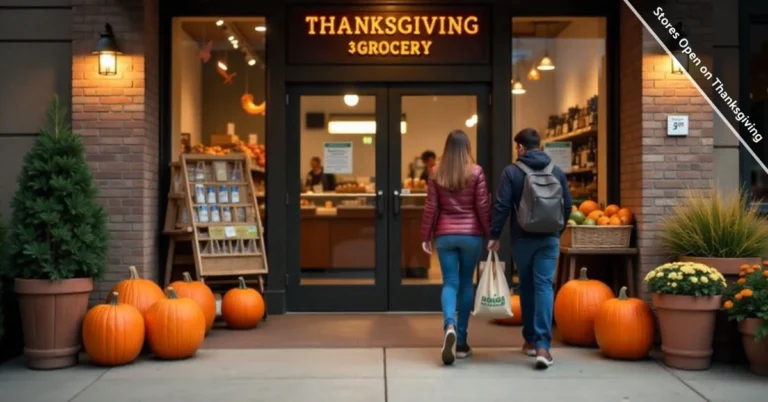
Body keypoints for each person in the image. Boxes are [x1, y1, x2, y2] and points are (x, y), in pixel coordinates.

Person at [487, 128, 572, 370]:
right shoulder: (556, 170)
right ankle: (544, 346)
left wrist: (494, 235)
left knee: (526, 286)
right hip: (549, 239)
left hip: (522, 239)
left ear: (521, 147)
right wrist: (557, 229)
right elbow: (567, 205)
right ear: (540, 145)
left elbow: (502, 206)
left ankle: (530, 341)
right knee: (544, 286)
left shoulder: (512, 172)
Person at [420, 130, 490, 366]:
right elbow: (482, 206)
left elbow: (431, 206)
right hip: (471, 236)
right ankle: (461, 343)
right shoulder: (477, 171)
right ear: (467, 147)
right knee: (465, 283)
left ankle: (448, 324)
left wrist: (425, 236)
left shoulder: (436, 172)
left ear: (447, 147)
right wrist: (491, 233)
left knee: (450, 283)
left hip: (445, 234)